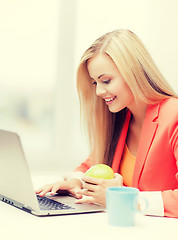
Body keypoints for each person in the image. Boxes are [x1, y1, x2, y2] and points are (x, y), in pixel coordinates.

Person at [36, 29, 178, 218]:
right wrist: (76, 181)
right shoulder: (122, 118)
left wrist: (121, 198)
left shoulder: (173, 115)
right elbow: (91, 164)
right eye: (95, 83)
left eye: (106, 80)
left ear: (133, 73)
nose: (99, 92)